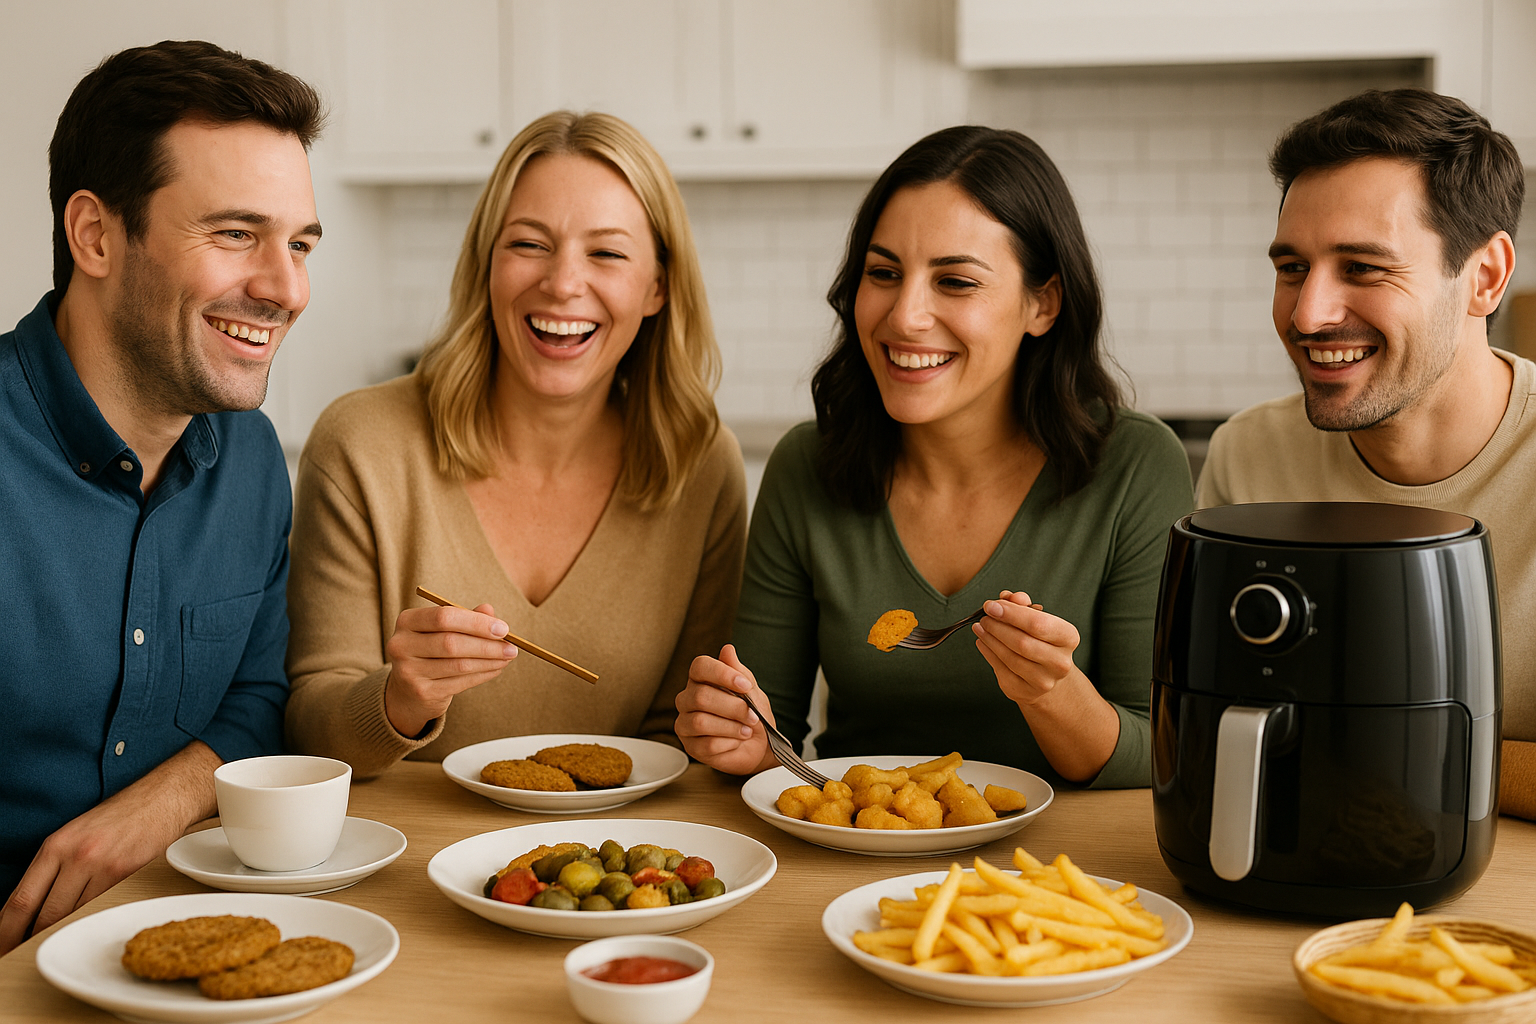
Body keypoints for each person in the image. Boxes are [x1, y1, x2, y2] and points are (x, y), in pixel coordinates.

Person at [674, 126, 1194, 788]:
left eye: (954, 281)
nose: (905, 316)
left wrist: (1052, 693)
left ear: (1043, 303)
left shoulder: (1135, 465)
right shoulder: (806, 466)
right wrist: (737, 736)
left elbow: (1164, 753)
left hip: (1055, 878)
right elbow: (771, 733)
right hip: (847, 860)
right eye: (883, 273)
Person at [283, 111, 746, 776]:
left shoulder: (699, 463)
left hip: (618, 862)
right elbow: (308, 727)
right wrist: (397, 699)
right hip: (404, 865)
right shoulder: (362, 446)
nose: (562, 283)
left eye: (607, 253)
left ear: (657, 288)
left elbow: (678, 735)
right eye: (529, 244)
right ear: (487, 264)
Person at [0, 40, 324, 953]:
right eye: (234, 234)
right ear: (95, 235)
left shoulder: (253, 458)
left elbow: (258, 696)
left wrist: (161, 802)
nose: (285, 287)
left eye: (299, 243)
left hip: (185, 936)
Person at [1196, 88, 1535, 820]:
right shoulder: (1248, 456)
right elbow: (1217, 730)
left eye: (1364, 268)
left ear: (1485, 277)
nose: (1308, 314)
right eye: (1292, 267)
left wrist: (1357, 740)